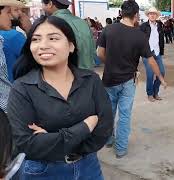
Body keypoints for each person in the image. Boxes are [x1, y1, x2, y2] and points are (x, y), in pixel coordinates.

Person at [7, 16, 114, 179]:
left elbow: (104, 129)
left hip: (88, 167)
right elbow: (26, 144)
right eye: (36, 39)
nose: (43, 45)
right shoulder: (22, 88)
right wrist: (84, 127)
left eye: (53, 38)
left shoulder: (91, 80)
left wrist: (51, 140)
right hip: (43, 172)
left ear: (71, 46)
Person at [97, 0, 167, 158]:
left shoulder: (108, 29)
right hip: (128, 81)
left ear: (121, 13)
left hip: (108, 79)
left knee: (109, 112)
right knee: (125, 115)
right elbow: (151, 60)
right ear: (136, 15)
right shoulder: (140, 36)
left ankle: (108, 140)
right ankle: (120, 149)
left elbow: (99, 53)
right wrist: (161, 78)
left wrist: (110, 63)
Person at [42, 0, 96, 70]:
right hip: (88, 72)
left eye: (42, 4)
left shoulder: (51, 22)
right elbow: (92, 48)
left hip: (66, 75)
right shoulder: (82, 22)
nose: (42, 7)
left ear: (50, 4)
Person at [140, 7, 166, 102]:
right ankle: (150, 94)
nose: (152, 15)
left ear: (156, 16)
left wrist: (161, 51)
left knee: (162, 72)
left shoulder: (159, 25)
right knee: (150, 74)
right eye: (150, 13)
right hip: (147, 53)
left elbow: (161, 39)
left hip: (157, 52)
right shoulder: (143, 26)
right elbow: (140, 40)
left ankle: (155, 92)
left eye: (154, 14)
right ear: (148, 15)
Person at [0, 2, 26, 82]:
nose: (11, 17)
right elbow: (35, 62)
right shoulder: (13, 36)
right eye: (8, 12)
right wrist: (29, 29)